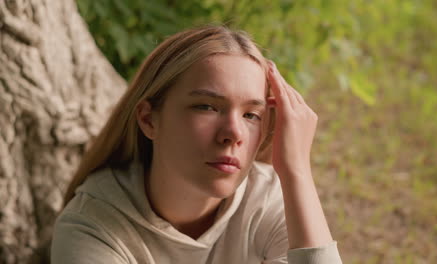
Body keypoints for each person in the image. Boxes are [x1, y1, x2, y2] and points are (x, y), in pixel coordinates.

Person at [51, 25, 343, 264]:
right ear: (149, 120)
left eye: (251, 115)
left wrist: (297, 173)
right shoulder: (91, 227)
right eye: (206, 107)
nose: (233, 133)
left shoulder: (269, 201)